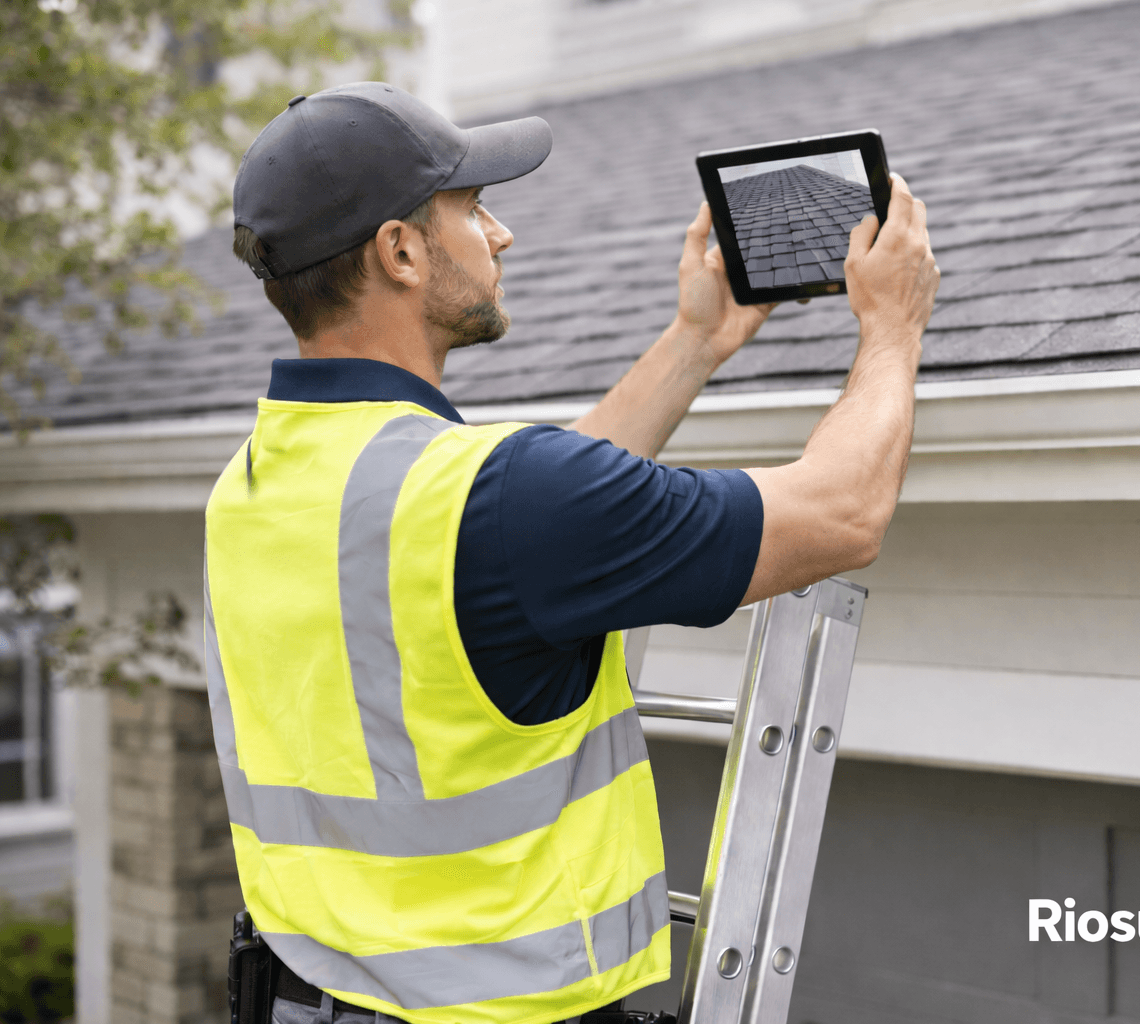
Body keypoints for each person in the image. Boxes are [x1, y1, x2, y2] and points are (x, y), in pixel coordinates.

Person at [206, 82, 938, 1024]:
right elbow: (842, 513)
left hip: (308, 1002)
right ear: (400, 252)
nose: (500, 234)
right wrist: (893, 329)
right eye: (474, 209)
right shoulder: (500, 497)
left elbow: (532, 527)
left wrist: (697, 341)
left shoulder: (252, 487)